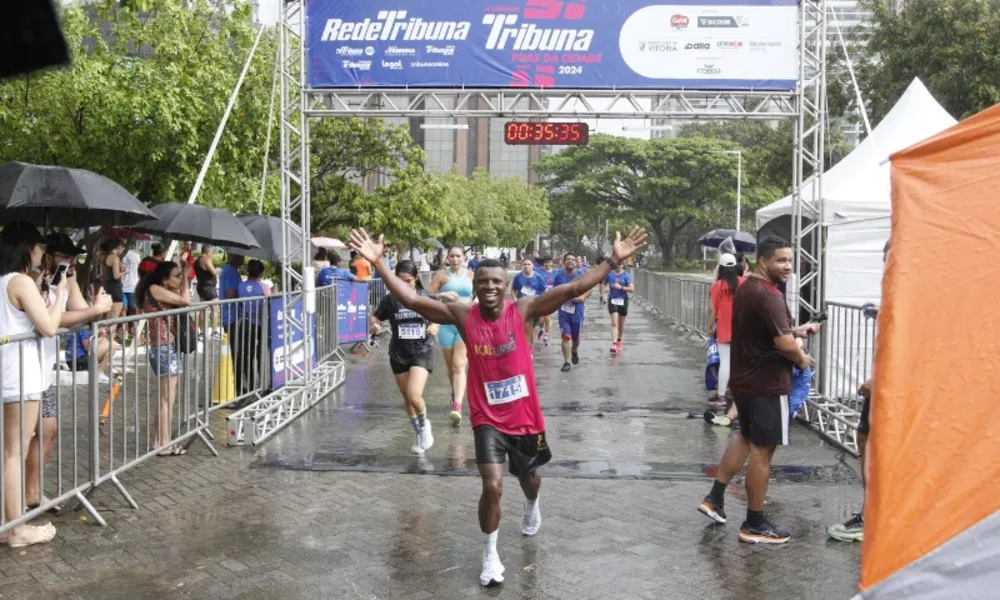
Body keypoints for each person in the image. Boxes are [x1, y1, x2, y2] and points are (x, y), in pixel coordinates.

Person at [348, 226, 647, 587]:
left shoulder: (523, 310)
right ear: (475, 286)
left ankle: (532, 504)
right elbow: (412, 301)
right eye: (484, 282)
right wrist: (379, 263)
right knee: (492, 486)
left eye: (497, 282)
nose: (490, 287)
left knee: (529, 480)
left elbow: (572, 288)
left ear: (505, 287)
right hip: (487, 419)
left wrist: (613, 260)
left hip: (525, 417)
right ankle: (490, 555)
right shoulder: (463, 316)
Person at [697, 237, 820, 544]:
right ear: (764, 261)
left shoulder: (748, 288)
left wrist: (795, 330)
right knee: (763, 452)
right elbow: (783, 345)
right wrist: (802, 358)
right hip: (767, 385)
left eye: (790, 261)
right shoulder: (769, 295)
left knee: (745, 437)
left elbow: (768, 331)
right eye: (781, 260)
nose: (788, 266)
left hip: (746, 381)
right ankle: (754, 523)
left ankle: (715, 498)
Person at [27, 233, 112, 517]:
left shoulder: (68, 279)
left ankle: (33, 493)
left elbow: (81, 313)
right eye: (65, 256)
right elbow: (51, 319)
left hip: (44, 371)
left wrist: (97, 308)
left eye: (74, 256)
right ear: (48, 255)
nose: (71, 262)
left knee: (48, 431)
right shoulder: (31, 279)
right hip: (23, 369)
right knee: (20, 439)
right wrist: (92, 310)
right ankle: (15, 502)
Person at [0, 222, 65, 546]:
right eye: (39, 248)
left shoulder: (5, 282)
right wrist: (61, 294)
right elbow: (49, 326)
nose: (42, 253)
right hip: (20, 378)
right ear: (27, 249)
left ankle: (6, 522)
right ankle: (16, 528)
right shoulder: (20, 282)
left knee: (7, 453)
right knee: (15, 453)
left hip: (8, 375)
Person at [827, 237, 890, 543]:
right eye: (885, 259)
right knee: (864, 441)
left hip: (891, 390)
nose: (886, 266)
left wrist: (880, 381)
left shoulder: (913, 296)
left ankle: (874, 518)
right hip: (881, 384)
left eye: (891, 259)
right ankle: (872, 514)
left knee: (876, 451)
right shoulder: (896, 294)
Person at [369, 260, 438, 454]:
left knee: (413, 394)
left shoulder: (425, 297)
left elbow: (440, 316)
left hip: (422, 349)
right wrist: (373, 324)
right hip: (399, 353)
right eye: (398, 281)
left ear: (415, 279)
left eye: (407, 281)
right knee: (407, 398)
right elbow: (375, 317)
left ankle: (425, 426)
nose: (403, 285)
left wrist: (435, 326)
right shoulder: (391, 299)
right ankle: (418, 434)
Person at [136, 260, 191, 456]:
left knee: (166, 399)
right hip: (163, 348)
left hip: (166, 347)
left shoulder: (161, 291)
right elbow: (186, 301)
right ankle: (164, 444)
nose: (179, 278)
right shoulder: (155, 289)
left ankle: (158, 441)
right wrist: (185, 276)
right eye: (175, 275)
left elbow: (184, 297)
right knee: (166, 400)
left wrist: (183, 278)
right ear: (164, 279)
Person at [427, 246, 475, 424]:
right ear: (447, 258)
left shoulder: (471, 275)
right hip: (446, 324)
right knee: (450, 367)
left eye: (458, 256)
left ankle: (457, 406)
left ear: (464, 257)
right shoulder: (441, 275)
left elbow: (478, 295)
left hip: (464, 323)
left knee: (459, 364)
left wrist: (474, 301)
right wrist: (442, 295)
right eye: (452, 256)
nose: (455, 259)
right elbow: (427, 296)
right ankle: (455, 392)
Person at [706, 253, 746, 421]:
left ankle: (721, 397)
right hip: (743, 329)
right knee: (742, 363)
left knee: (725, 363)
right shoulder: (744, 283)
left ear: (720, 268)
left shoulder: (717, 286)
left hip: (724, 328)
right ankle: (742, 397)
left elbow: (711, 310)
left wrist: (709, 327)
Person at [235, 260, 271, 396]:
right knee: (260, 353)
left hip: (244, 323)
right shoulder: (264, 287)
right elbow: (270, 304)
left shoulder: (241, 286)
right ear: (261, 272)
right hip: (259, 324)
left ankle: (249, 385)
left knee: (245, 354)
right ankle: (262, 384)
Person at [553, 253, 590, 372]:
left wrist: (583, 297)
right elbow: (553, 291)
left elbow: (588, 290)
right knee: (565, 336)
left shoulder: (581, 275)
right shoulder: (558, 275)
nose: (570, 261)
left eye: (572, 259)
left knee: (575, 338)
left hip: (577, 310)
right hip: (563, 310)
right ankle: (566, 362)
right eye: (568, 259)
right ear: (564, 262)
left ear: (575, 262)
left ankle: (574, 349)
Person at [219, 253, 245, 396]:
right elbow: (230, 294)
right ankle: (238, 389)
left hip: (233, 317)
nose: (243, 258)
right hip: (232, 318)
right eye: (241, 255)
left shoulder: (231, 270)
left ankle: (239, 386)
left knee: (237, 353)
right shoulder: (230, 271)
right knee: (237, 353)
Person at [604, 259, 634, 355]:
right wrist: (604, 292)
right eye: (617, 263)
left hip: (623, 300)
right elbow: (603, 284)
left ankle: (619, 340)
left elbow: (632, 289)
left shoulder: (626, 275)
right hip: (612, 300)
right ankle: (614, 344)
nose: (618, 265)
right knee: (614, 323)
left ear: (623, 265)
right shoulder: (609, 274)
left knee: (621, 324)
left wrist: (621, 287)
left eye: (620, 264)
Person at [103, 238, 126, 326]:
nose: (122, 252)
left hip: (108, 286)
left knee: (109, 316)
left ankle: (105, 338)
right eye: (122, 249)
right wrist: (124, 272)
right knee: (114, 318)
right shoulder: (115, 258)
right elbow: (116, 276)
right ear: (119, 247)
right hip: (116, 287)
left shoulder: (107, 256)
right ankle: (110, 338)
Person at [535, 257, 556, 345]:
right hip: (540, 298)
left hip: (551, 299)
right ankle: (542, 329)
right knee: (540, 320)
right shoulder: (538, 272)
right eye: (545, 262)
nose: (547, 264)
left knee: (548, 317)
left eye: (549, 262)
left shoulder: (556, 272)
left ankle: (546, 336)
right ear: (543, 263)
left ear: (552, 263)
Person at [121, 241, 141, 323]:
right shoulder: (136, 255)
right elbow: (139, 268)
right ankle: (136, 327)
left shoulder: (120, 256)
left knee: (123, 309)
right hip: (133, 285)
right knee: (134, 308)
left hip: (122, 286)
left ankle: (124, 327)